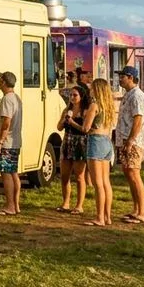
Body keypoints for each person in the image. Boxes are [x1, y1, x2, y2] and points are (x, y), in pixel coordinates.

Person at [115, 65, 144, 224]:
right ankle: (136, 209)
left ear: (130, 77)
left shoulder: (136, 95)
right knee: (129, 173)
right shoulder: (129, 94)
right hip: (126, 140)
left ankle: (142, 212)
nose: (119, 79)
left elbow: (138, 119)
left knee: (134, 173)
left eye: (122, 76)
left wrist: (130, 140)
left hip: (134, 142)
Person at [84, 78, 116, 226]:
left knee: (97, 184)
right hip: (107, 142)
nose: (90, 90)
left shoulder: (94, 106)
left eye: (92, 88)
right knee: (105, 182)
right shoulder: (108, 107)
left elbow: (85, 128)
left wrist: (74, 123)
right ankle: (108, 216)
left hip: (95, 140)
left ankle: (99, 217)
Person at [55, 85, 90, 214]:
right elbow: (59, 127)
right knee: (64, 176)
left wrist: (73, 123)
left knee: (79, 176)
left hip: (80, 143)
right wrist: (65, 121)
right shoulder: (66, 110)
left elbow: (85, 129)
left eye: (75, 95)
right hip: (67, 142)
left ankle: (79, 205)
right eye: (70, 95)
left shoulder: (85, 111)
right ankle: (66, 203)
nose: (72, 98)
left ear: (81, 97)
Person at [0, 71, 22, 215]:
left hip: (7, 142)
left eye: (0, 80)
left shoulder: (7, 99)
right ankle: (16, 205)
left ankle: (9, 206)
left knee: (6, 174)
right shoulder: (16, 98)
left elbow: (6, 122)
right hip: (16, 141)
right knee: (13, 173)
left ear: (4, 82)